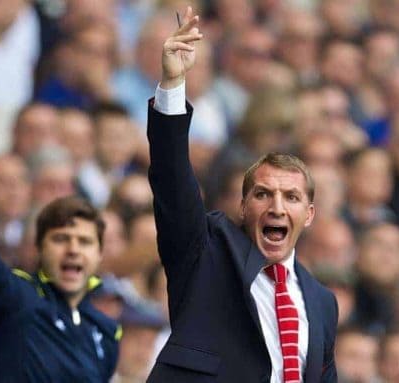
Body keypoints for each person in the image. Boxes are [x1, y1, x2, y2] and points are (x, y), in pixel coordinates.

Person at [146, 7, 338, 382]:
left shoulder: (322, 302)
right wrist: (173, 85)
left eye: (292, 197)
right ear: (243, 206)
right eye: (263, 194)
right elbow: (171, 181)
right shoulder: (206, 251)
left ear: (310, 214)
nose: (277, 207)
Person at [0, 158, 120, 382]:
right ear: (39, 248)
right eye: (60, 239)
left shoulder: (106, 331)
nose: (73, 249)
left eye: (85, 242)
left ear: (100, 254)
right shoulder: (16, 298)